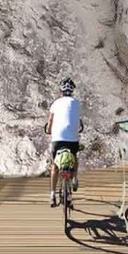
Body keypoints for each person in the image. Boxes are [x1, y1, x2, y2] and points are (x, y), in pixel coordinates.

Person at [45, 77, 84, 207]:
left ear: (61, 91)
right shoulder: (76, 103)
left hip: (58, 139)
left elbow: (50, 122)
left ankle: (52, 194)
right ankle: (74, 178)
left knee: (55, 166)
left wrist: (49, 130)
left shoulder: (56, 103)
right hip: (72, 139)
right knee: (74, 157)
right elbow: (78, 122)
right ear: (72, 91)